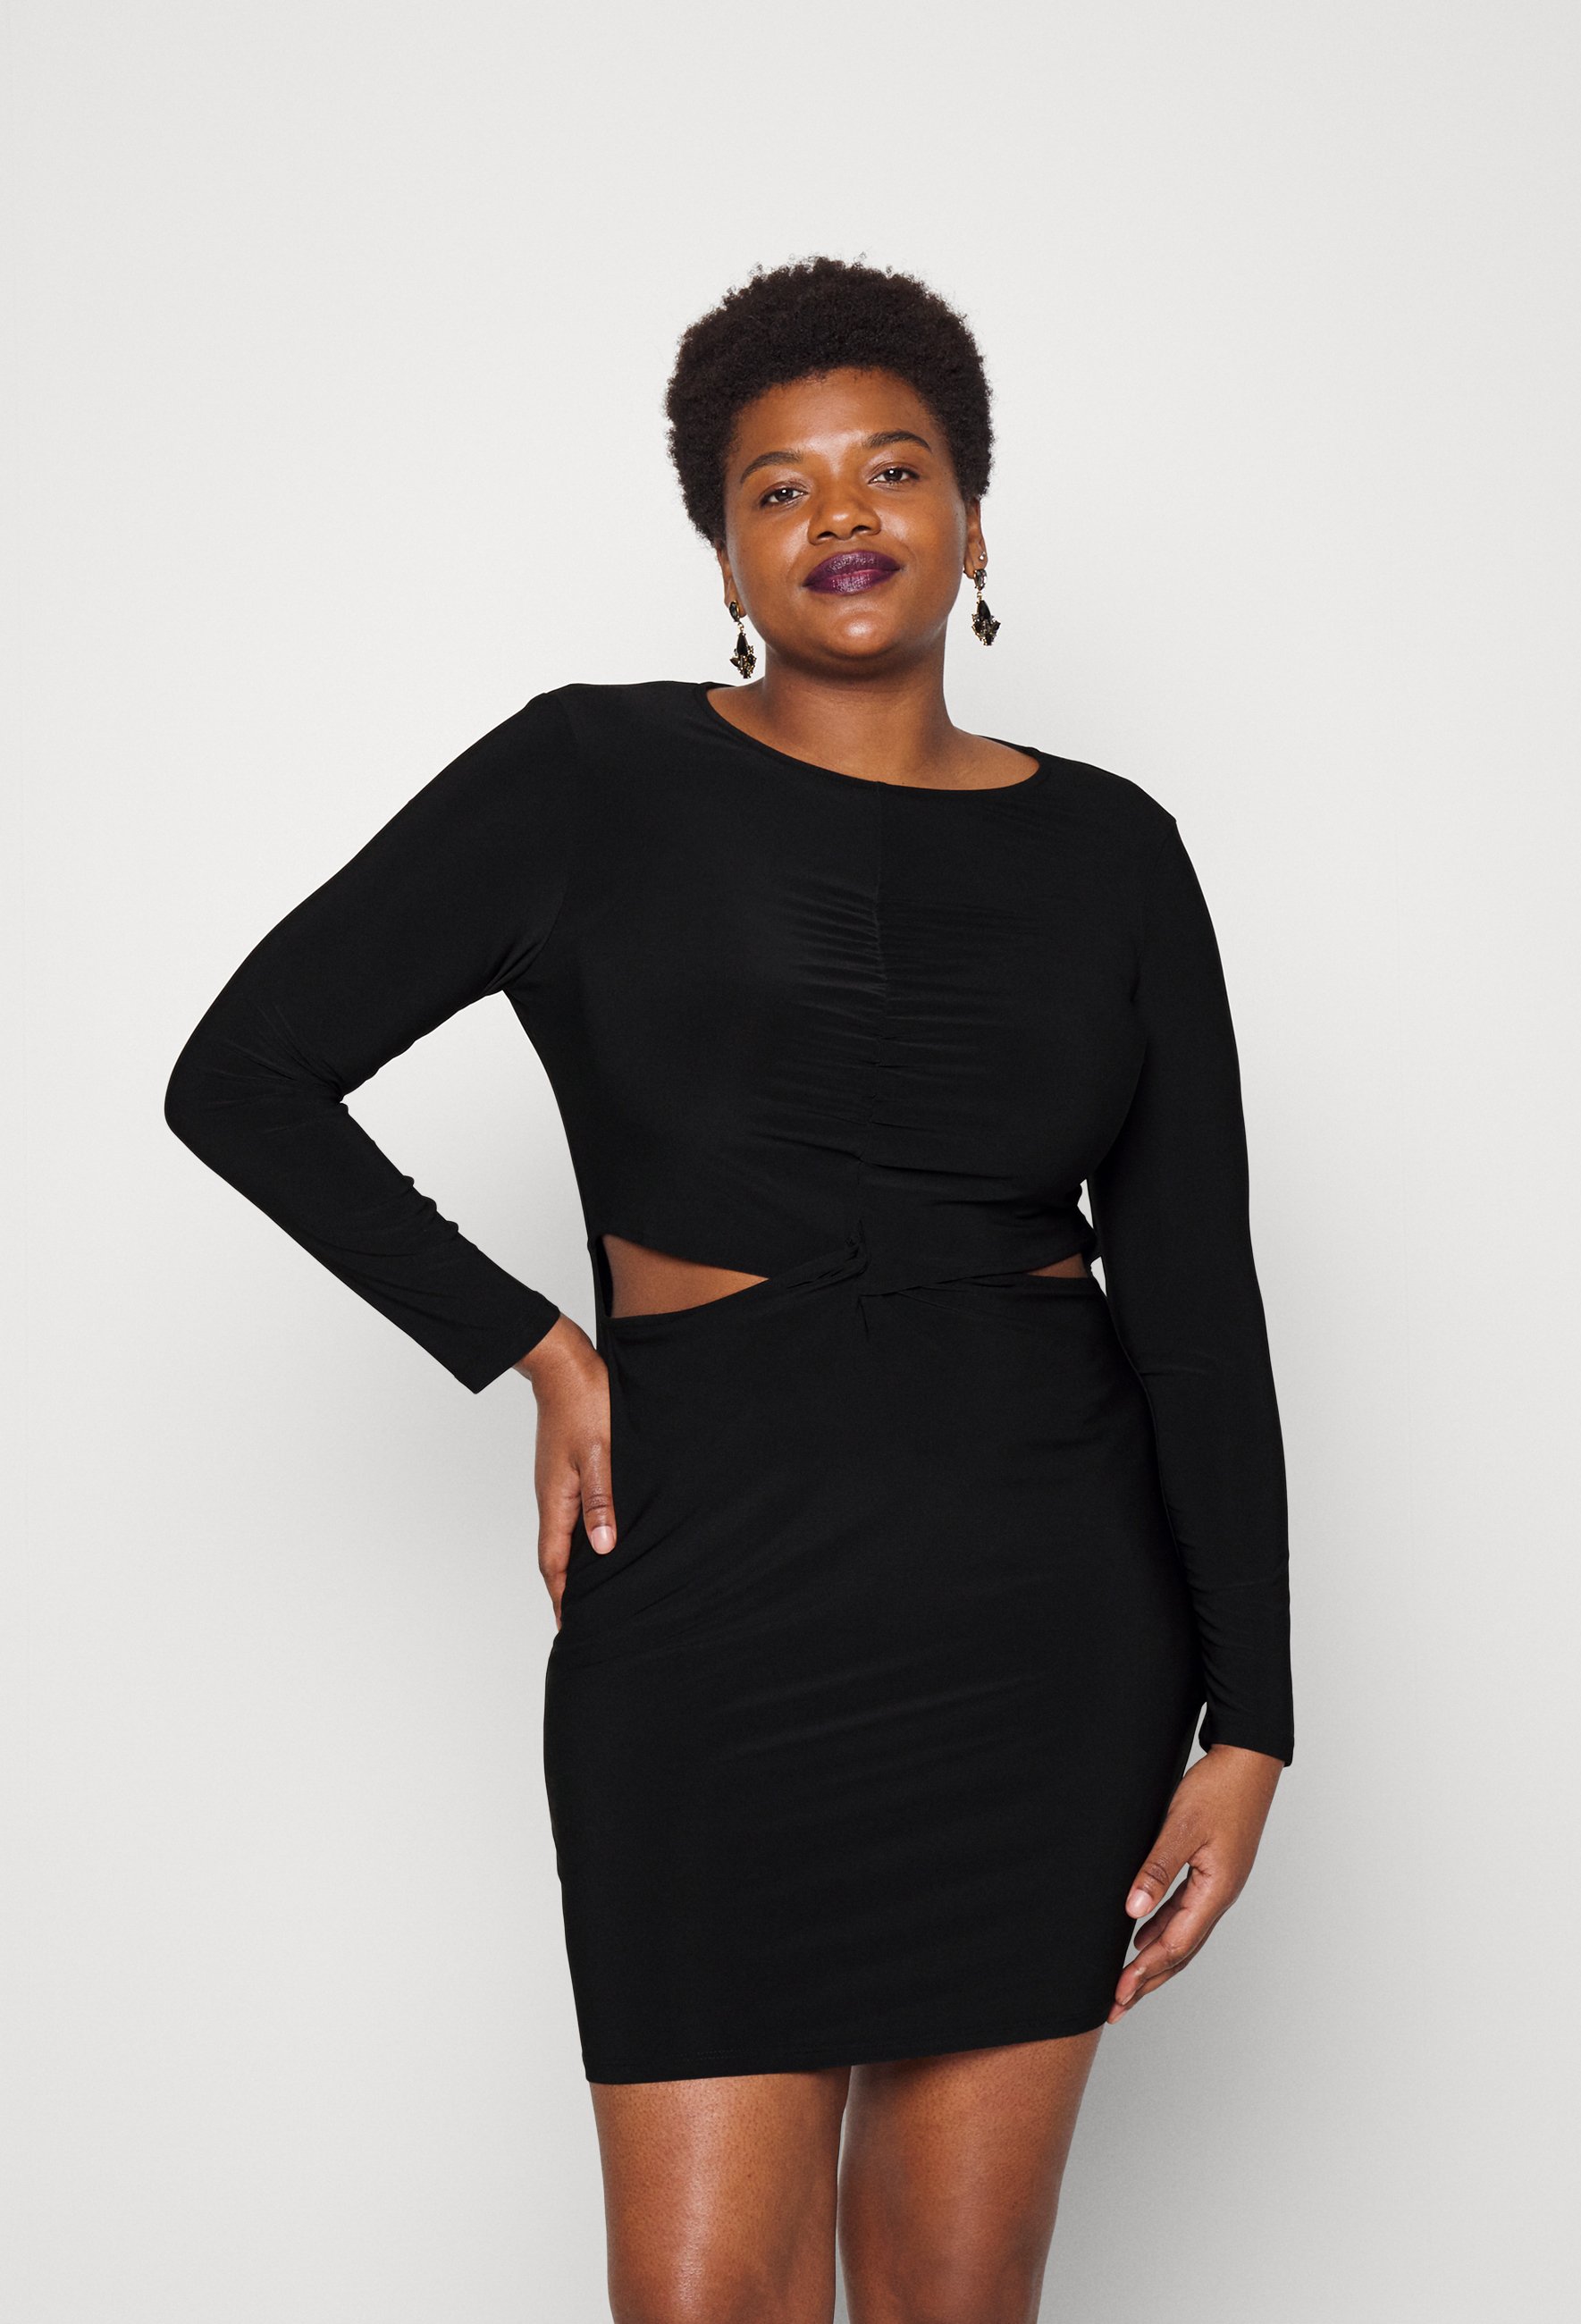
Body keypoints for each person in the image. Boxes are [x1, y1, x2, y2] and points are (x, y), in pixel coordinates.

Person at [165, 255, 1292, 2324]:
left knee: (955, 2299)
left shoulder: (1117, 851)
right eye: (779, 486)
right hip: (710, 1594)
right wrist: (529, 1344)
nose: (841, 512)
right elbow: (241, 1075)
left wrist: (1253, 1718)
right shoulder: (584, 778)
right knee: (702, 2302)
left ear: (971, 521)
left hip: (1043, 1609)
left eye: (894, 467)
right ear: (723, 554)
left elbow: (1194, 1297)